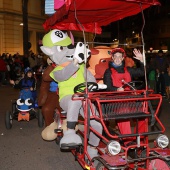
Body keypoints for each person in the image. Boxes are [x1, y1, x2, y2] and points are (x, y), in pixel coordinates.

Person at [103, 47, 145, 143]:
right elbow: (107, 87)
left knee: (143, 112)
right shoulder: (108, 72)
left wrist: (141, 60)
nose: (118, 59)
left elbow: (142, 73)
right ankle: (128, 140)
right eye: (115, 57)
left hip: (129, 98)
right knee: (124, 111)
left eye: (120, 57)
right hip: (115, 100)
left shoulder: (128, 70)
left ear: (123, 58)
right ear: (112, 58)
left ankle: (140, 139)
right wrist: (116, 89)